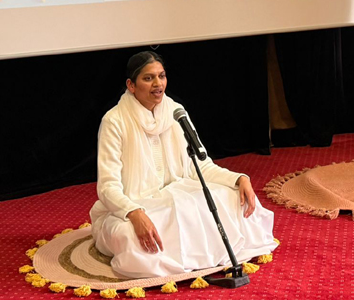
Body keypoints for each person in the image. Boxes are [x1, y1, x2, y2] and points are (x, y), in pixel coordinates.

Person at [90, 51, 277, 279]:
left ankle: (197, 256)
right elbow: (107, 187)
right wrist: (134, 213)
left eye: (161, 76)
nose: (158, 84)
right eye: (148, 78)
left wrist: (239, 178)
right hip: (134, 205)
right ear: (131, 85)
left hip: (175, 195)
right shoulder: (114, 121)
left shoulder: (175, 111)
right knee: (131, 237)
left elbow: (201, 166)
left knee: (231, 197)